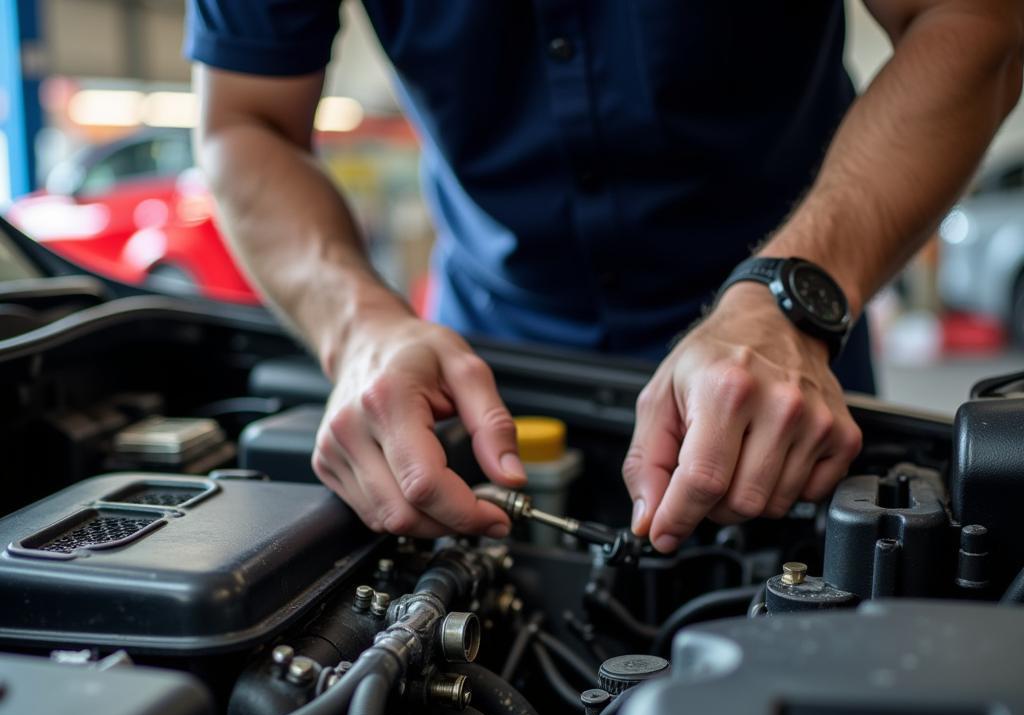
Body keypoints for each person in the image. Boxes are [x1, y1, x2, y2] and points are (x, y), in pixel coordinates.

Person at [186, 1, 1022, 552]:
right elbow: (244, 121)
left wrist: (789, 298)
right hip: (485, 382)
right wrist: (359, 329)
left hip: (785, 363)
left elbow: (973, 19)